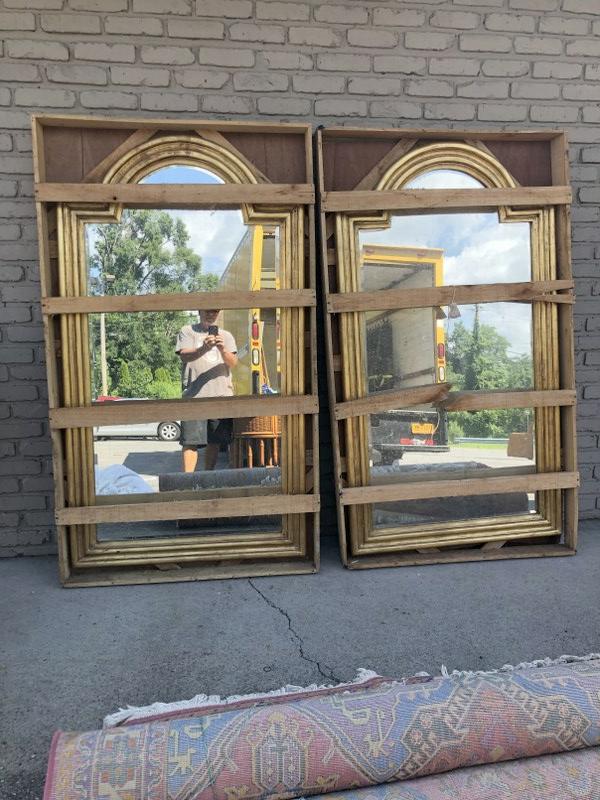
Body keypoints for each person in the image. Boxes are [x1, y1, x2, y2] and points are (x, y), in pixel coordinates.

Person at [176, 309, 238, 472]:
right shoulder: (187, 331)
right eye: (208, 311)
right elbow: (184, 356)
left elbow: (232, 363)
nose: (211, 314)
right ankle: (188, 480)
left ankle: (207, 477)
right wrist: (204, 348)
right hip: (194, 396)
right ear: (199, 311)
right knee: (190, 441)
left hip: (220, 395)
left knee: (215, 440)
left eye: (215, 311)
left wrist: (222, 349)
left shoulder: (227, 335)